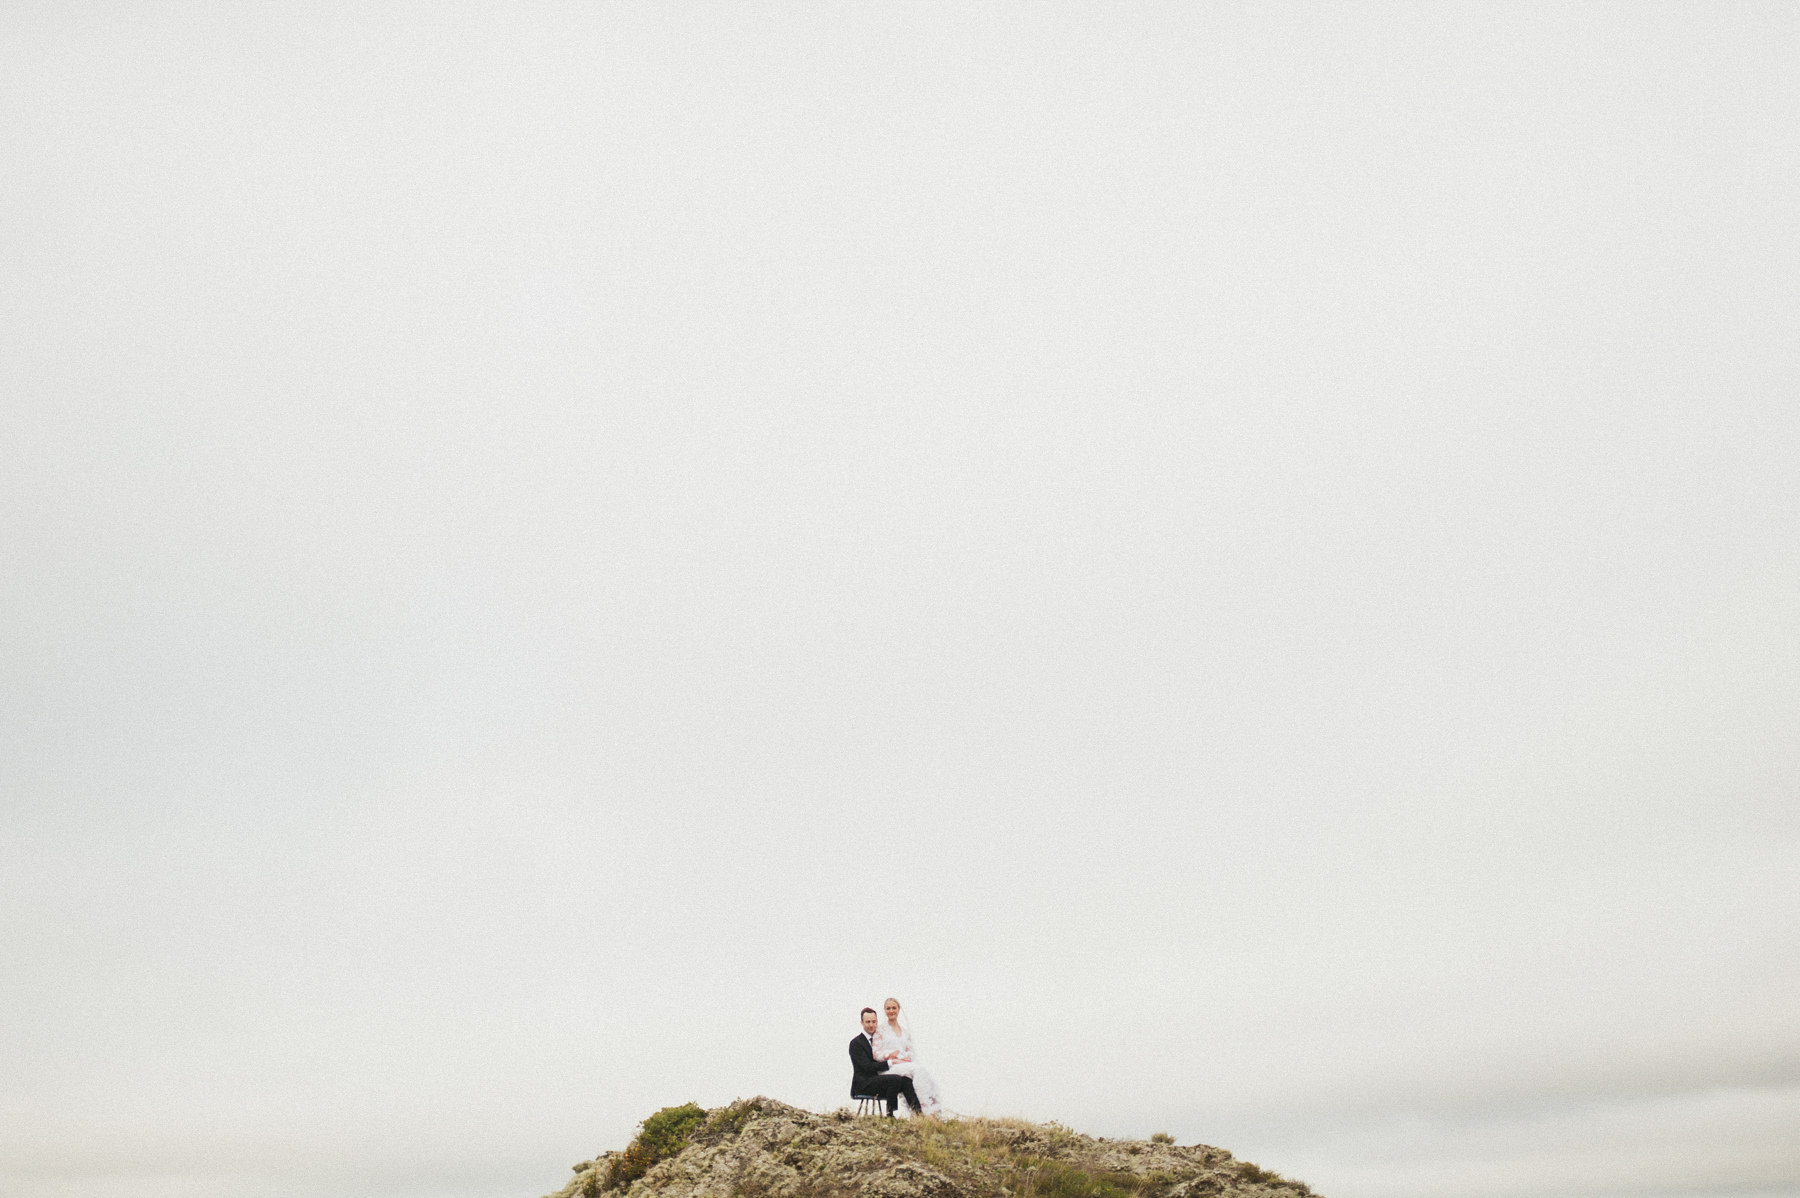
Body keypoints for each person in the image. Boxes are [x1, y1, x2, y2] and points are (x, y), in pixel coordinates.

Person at [873, 997, 943, 1116]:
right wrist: (891, 1056)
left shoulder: (905, 1031)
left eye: (894, 1008)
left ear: (899, 1009)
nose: (891, 1011)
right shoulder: (880, 1030)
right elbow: (876, 1054)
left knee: (920, 1075)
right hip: (889, 1067)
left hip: (904, 1065)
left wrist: (903, 1057)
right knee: (919, 1070)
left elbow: (911, 1052)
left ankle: (930, 1109)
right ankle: (926, 1110)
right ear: (884, 1010)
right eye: (888, 1008)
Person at [849, 1006, 922, 1116]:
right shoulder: (856, 1043)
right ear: (862, 1023)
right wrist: (891, 1062)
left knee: (906, 1079)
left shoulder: (881, 1039)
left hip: (880, 1080)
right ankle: (890, 1114)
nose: (871, 1025)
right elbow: (867, 1067)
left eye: (874, 1021)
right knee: (894, 1079)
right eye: (868, 1022)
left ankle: (919, 1114)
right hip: (863, 1083)